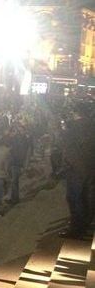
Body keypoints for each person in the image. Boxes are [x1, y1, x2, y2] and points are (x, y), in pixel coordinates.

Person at [60, 102, 95, 239]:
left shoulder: (72, 128)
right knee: (87, 197)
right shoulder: (92, 126)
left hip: (76, 170)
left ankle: (77, 229)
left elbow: (68, 151)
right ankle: (86, 223)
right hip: (91, 168)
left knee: (74, 198)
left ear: (76, 113)